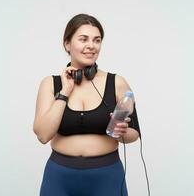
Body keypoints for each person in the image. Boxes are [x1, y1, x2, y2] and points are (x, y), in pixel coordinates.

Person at [33, 13, 140, 196]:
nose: (91, 46)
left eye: (97, 40)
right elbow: (43, 135)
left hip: (107, 177)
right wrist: (65, 92)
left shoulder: (117, 83)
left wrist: (122, 133)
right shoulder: (50, 84)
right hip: (60, 179)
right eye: (83, 39)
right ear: (67, 44)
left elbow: (134, 133)